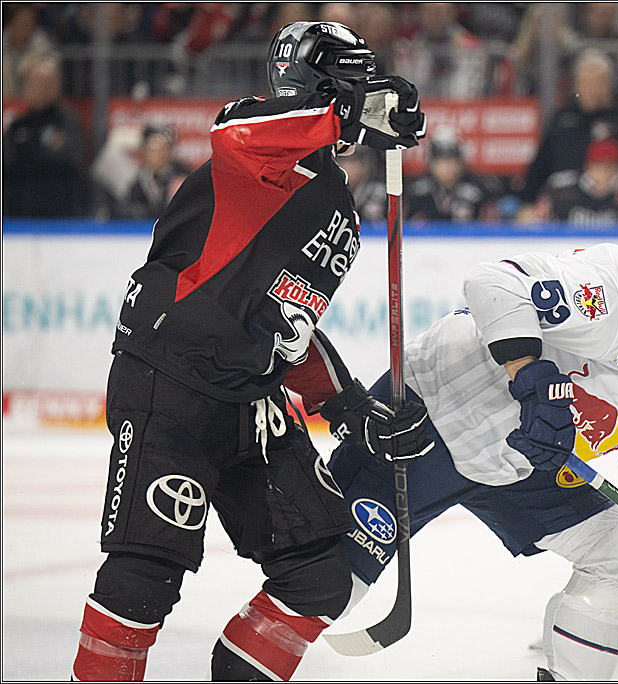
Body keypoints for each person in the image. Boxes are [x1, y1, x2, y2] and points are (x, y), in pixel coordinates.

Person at [71, 21, 432, 681]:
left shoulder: (337, 207)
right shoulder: (251, 143)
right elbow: (242, 127)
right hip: (171, 384)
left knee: (322, 572)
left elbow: (289, 325)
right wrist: (348, 113)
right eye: (353, 83)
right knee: (144, 575)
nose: (365, 96)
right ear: (322, 88)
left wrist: (347, 405)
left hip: (251, 398)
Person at [325, 191, 618, 680]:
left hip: (519, 459)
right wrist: (534, 380)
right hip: (430, 416)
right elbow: (494, 282)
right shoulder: (616, 287)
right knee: (324, 588)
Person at [517, 49, 618, 217]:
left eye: (599, 82)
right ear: (576, 86)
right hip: (566, 214)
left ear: (610, 84)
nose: (593, 89)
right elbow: (537, 174)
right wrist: (527, 204)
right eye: (586, 82)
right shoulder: (562, 122)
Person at [2, 52, 89, 218]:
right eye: (36, 82)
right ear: (26, 86)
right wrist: (46, 151)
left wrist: (28, 153)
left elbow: (71, 158)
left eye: (47, 83)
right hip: (20, 217)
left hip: (62, 218)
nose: (41, 88)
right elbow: (8, 163)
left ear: (57, 86)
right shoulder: (17, 126)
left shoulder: (69, 122)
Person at [534, 137, 618, 227]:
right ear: (587, 167)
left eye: (611, 167)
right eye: (599, 167)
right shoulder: (559, 190)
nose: (605, 174)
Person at [405, 130, 502, 222]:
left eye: (452, 159)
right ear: (431, 162)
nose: (448, 166)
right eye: (441, 161)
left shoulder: (480, 190)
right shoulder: (416, 192)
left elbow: (491, 228)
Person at [115, 123, 193, 219]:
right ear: (144, 150)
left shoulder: (183, 177)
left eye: (163, 147)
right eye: (152, 148)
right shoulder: (139, 179)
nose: (158, 153)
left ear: (170, 150)